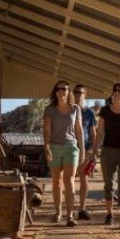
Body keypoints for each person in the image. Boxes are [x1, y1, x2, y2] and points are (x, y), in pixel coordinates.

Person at [92, 82, 120, 229]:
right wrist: (95, 150)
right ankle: (110, 214)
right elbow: (99, 132)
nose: (117, 93)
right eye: (115, 91)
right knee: (109, 184)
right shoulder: (105, 110)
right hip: (108, 151)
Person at [42, 80, 84, 227]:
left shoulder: (75, 109)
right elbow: (46, 130)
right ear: (55, 92)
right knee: (56, 182)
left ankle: (70, 216)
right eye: (58, 89)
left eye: (64, 89)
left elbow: (79, 130)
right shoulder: (49, 109)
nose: (61, 91)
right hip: (54, 147)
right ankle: (58, 212)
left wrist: (82, 150)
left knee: (69, 181)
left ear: (69, 91)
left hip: (71, 147)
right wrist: (46, 147)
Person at [74, 84, 97, 220]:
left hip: (86, 149)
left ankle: (82, 208)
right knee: (68, 180)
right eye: (75, 92)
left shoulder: (89, 113)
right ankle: (68, 209)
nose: (77, 95)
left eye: (80, 93)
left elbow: (93, 132)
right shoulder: (69, 109)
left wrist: (95, 149)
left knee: (84, 178)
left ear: (85, 95)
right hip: (70, 148)